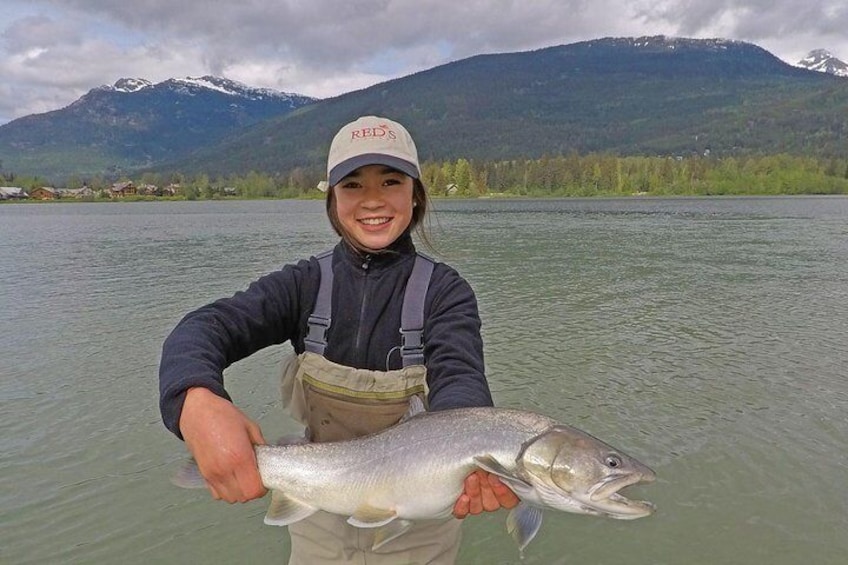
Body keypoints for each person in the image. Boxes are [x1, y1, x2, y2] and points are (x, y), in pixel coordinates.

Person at [158, 115, 518, 564]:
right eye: (352, 185)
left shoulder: (446, 294)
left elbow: (461, 379)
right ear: (331, 200)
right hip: (317, 507)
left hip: (419, 520)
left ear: (416, 194)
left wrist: (470, 448)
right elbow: (203, 328)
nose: (372, 200)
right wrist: (195, 401)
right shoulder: (302, 285)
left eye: (390, 181)